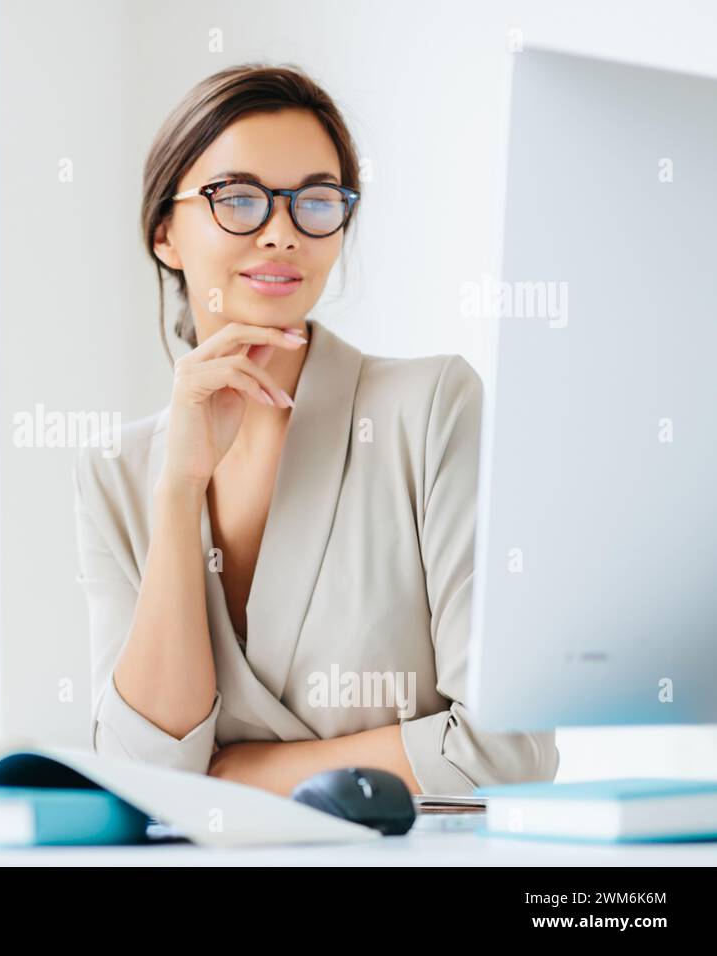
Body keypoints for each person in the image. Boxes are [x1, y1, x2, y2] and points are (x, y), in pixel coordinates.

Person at [73, 63, 558, 796]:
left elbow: (508, 749)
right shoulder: (117, 472)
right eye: (238, 199)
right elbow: (142, 771)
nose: (281, 233)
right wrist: (179, 489)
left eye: (316, 201)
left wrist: (246, 774)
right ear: (165, 233)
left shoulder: (430, 409)